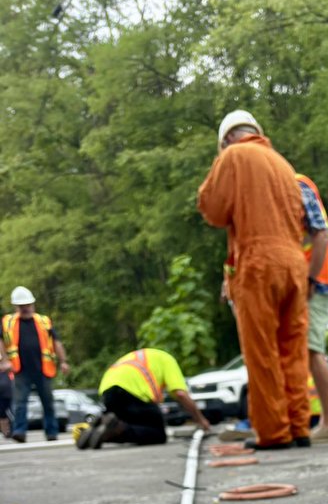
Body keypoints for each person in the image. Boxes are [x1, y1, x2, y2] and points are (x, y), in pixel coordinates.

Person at [197, 110, 310, 450]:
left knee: (262, 352)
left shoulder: (235, 156)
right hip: (294, 264)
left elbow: (213, 210)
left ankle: (274, 432)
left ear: (227, 139)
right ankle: (299, 426)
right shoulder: (283, 164)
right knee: (293, 351)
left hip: (259, 263)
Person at [78, 347, 210, 449]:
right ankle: (116, 429)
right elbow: (181, 394)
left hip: (107, 391)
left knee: (134, 426)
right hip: (131, 391)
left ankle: (98, 431)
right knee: (157, 434)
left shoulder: (144, 356)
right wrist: (201, 420)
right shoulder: (168, 360)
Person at [297, 172, 328, 443]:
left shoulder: (296, 184)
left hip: (316, 278)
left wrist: (311, 280)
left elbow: (320, 236)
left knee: (313, 349)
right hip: (309, 277)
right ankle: (320, 421)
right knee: (306, 349)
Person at [2, 286, 70, 443]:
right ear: (16, 307)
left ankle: (51, 432)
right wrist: (4, 360)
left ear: (32, 304)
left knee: (48, 402)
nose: (25, 308)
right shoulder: (8, 322)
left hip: (43, 369)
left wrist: (63, 361)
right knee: (20, 403)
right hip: (20, 370)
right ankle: (19, 431)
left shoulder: (44, 321)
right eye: (21, 306)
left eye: (27, 305)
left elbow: (57, 342)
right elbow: (1, 341)